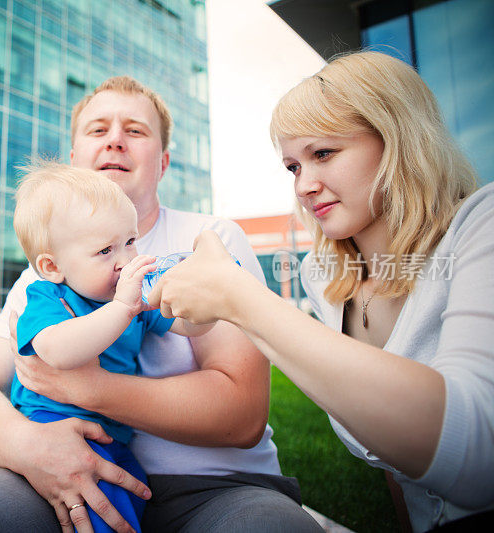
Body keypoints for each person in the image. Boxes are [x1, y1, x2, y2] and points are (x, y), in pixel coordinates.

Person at [0, 76, 322, 533]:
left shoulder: (209, 239)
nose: (115, 140)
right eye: (97, 130)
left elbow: (242, 416)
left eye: (135, 131)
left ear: (162, 163)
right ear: (75, 158)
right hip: (66, 472)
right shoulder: (43, 275)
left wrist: (87, 388)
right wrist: (31, 447)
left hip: (217, 489)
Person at [147, 51, 494, 532]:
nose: (305, 185)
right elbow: (397, 470)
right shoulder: (325, 280)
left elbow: (477, 459)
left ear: (396, 139)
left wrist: (240, 298)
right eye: (292, 166)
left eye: (323, 153)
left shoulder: (483, 226)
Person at [10, 162, 213, 532]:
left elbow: (186, 326)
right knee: (104, 513)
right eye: (105, 251)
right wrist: (122, 307)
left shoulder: (132, 299)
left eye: (131, 241)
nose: (125, 260)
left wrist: (207, 306)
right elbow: (58, 352)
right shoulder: (47, 296)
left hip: (114, 437)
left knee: (132, 501)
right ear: (52, 266)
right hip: (57, 429)